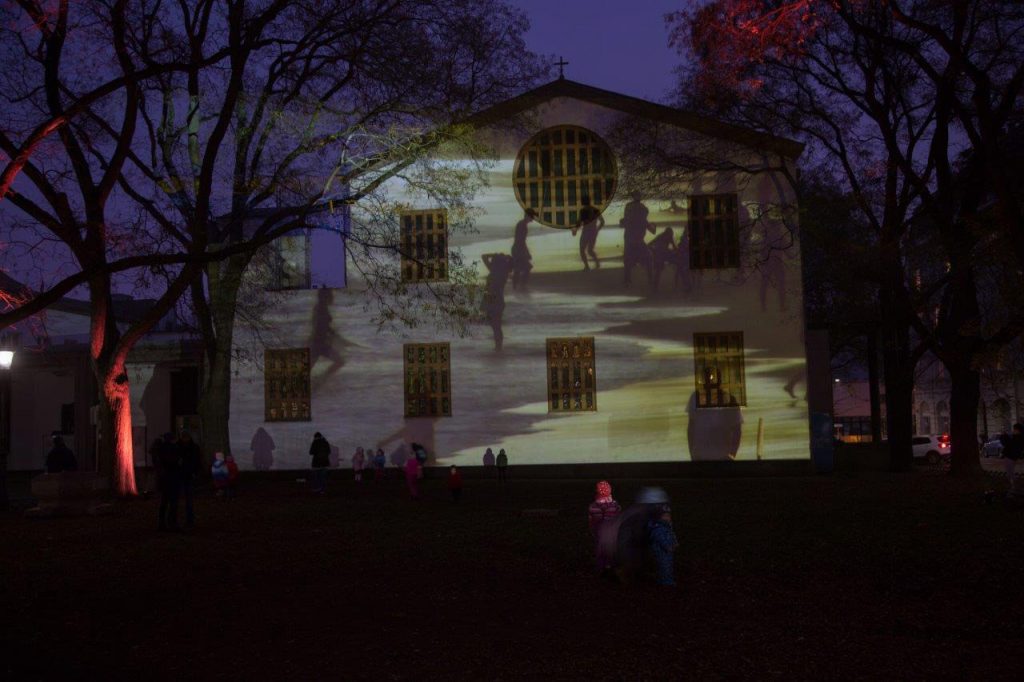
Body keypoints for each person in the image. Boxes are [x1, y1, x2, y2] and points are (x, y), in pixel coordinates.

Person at [481, 253, 514, 351]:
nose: (492, 261)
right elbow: (484, 257)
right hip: (494, 299)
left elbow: (484, 256)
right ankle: (498, 345)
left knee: (495, 325)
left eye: (494, 260)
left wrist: (493, 254)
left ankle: (498, 346)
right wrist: (507, 257)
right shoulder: (503, 271)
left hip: (493, 299)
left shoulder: (495, 271)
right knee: (495, 325)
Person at [621, 192, 654, 287]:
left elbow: (624, 222)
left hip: (631, 240)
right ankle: (650, 279)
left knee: (628, 259)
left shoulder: (630, 211)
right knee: (648, 259)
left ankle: (627, 279)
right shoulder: (641, 214)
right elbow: (652, 230)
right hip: (636, 241)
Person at [588, 481, 621, 574]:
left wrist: (593, 529)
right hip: (612, 530)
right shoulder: (615, 505)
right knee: (612, 549)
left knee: (600, 549)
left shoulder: (593, 506)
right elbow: (618, 516)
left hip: (600, 530)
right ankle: (611, 566)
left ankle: (601, 568)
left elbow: (593, 520)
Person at [156, 432, 181, 531]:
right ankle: (172, 522)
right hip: (171, 478)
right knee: (172, 502)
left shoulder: (161, 449)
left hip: (165, 478)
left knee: (165, 502)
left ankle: (163, 523)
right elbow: (173, 462)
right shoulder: (172, 449)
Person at [648, 508, 679, 586]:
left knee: (668, 565)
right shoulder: (658, 528)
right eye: (665, 516)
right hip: (661, 552)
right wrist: (668, 546)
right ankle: (665, 581)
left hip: (667, 552)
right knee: (664, 566)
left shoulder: (667, 527)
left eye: (669, 516)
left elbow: (672, 535)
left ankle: (666, 579)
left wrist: (675, 542)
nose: (668, 518)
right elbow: (660, 539)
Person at [572, 197, 604, 271]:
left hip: (586, 232)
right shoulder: (595, 210)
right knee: (590, 250)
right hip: (593, 232)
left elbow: (579, 222)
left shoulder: (583, 211)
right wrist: (597, 230)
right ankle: (596, 263)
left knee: (582, 249)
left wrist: (575, 230)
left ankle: (587, 266)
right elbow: (602, 222)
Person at [178, 431, 201, 528]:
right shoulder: (192, 447)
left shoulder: (181, 447)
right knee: (186, 499)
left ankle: (189, 519)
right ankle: (187, 519)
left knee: (188, 499)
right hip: (184, 474)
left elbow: (196, 461)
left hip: (186, 474)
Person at [511, 208, 536, 291]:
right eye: (532, 217)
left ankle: (517, 286)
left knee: (519, 268)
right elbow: (520, 240)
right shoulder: (522, 225)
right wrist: (526, 252)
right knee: (525, 268)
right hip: (518, 249)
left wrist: (526, 252)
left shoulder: (522, 224)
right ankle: (520, 286)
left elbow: (520, 240)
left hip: (517, 248)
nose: (532, 219)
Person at [1000, 423, 1024, 497]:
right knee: (1010, 473)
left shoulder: (1017, 438)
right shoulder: (1018, 437)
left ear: (1017, 430)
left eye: (1014, 429)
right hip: (1012, 457)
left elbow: (1008, 445)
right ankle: (1013, 488)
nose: (1013, 431)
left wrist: (1004, 436)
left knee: (1010, 474)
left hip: (1010, 457)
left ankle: (1013, 489)